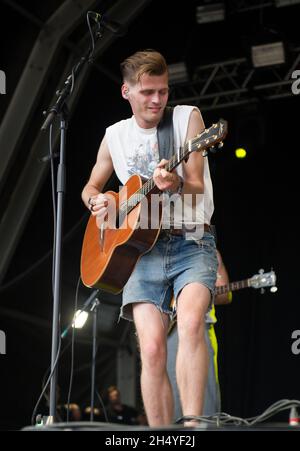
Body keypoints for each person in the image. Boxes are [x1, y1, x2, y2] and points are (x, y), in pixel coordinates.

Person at [81, 49, 218, 426]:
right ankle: (159, 434)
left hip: (192, 238)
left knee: (191, 324)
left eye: (163, 91)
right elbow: (91, 186)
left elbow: (195, 188)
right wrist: (100, 203)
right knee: (153, 348)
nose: (157, 100)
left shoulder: (188, 119)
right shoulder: (115, 136)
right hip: (141, 251)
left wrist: (173, 184)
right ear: (126, 91)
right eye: (147, 92)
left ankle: (192, 426)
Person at [167, 249, 231, 421]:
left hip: (199, 325)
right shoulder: (155, 248)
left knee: (203, 393)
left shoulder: (210, 250)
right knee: (170, 391)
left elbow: (225, 293)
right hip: (167, 327)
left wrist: (195, 292)